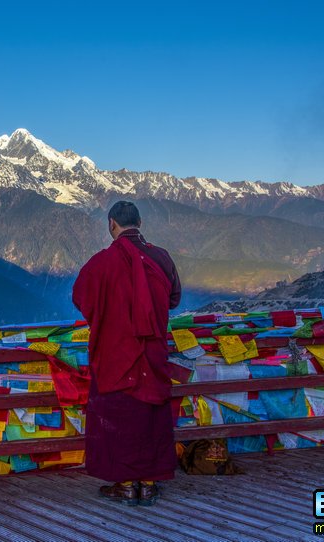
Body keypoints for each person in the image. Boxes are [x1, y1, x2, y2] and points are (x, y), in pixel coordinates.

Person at [72, 201, 182, 506]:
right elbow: (174, 298)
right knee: (150, 416)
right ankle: (147, 485)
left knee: (119, 416)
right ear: (140, 223)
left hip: (116, 352)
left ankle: (124, 484)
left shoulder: (101, 263)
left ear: (111, 225)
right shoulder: (161, 258)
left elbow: (81, 298)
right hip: (152, 351)